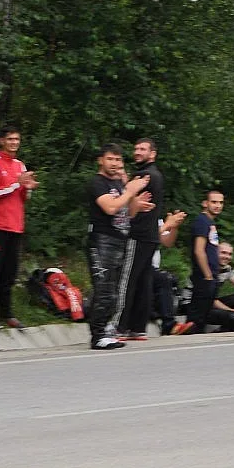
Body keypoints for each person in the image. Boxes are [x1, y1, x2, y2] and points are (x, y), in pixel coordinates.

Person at [85, 143, 152, 350]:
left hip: (119, 240)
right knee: (103, 289)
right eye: (110, 159)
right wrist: (130, 190)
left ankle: (106, 329)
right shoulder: (97, 183)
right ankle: (97, 336)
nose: (114, 164)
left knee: (113, 290)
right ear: (101, 160)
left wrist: (133, 197)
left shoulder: (118, 185)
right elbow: (111, 207)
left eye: (118, 160)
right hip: (101, 241)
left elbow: (128, 214)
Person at [0, 126, 38, 329]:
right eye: (10, 139)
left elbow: (22, 197)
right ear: (1, 141)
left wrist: (28, 188)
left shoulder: (20, 165)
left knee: (10, 271)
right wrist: (16, 183)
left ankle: (7, 312)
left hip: (16, 225)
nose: (14, 143)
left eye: (17, 139)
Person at [114, 138, 164, 341]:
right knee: (144, 280)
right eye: (136, 148)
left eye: (142, 149)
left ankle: (120, 326)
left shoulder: (144, 175)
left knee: (127, 279)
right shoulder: (157, 175)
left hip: (137, 234)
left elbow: (127, 197)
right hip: (151, 236)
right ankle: (138, 327)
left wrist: (124, 181)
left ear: (153, 153)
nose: (137, 152)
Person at [185, 190, 225, 335]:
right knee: (196, 317)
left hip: (211, 275)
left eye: (220, 202)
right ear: (205, 203)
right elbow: (199, 250)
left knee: (203, 316)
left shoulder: (210, 222)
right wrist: (207, 275)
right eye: (214, 202)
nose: (218, 206)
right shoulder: (202, 221)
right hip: (204, 276)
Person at [151, 210, 187, 336]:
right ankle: (169, 324)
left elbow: (167, 242)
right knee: (164, 279)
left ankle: (156, 313)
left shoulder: (155, 217)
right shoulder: (135, 215)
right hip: (139, 265)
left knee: (171, 280)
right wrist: (167, 225)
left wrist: (174, 227)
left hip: (153, 266)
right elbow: (148, 236)